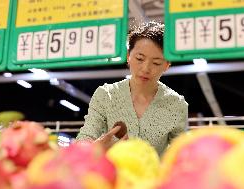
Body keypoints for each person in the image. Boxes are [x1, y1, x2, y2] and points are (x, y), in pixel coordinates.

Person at [76, 21, 188, 156]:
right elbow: (85, 137)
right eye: (140, 59)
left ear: (167, 65)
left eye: (156, 63)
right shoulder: (106, 95)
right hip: (111, 176)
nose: (146, 69)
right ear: (128, 56)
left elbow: (180, 155)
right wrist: (92, 148)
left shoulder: (176, 105)